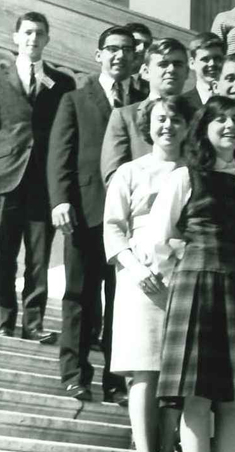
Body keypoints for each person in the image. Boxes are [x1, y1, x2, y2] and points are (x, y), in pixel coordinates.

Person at [148, 96, 235, 452]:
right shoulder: (185, 176)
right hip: (196, 289)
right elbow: (157, 237)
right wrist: (182, 268)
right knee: (196, 396)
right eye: (221, 120)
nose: (230, 126)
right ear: (205, 129)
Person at [48, 26, 144, 402]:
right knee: (80, 296)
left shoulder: (142, 102)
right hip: (85, 212)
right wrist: (60, 200)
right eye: (112, 49)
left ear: (136, 58)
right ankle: (75, 373)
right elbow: (61, 154)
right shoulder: (75, 99)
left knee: (122, 300)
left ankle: (116, 381)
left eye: (127, 50)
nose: (120, 55)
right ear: (98, 55)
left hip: (132, 219)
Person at [103, 95, 194, 452]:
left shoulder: (195, 171)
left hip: (184, 275)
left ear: (187, 127)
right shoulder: (130, 171)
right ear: (148, 126)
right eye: (160, 119)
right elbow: (113, 228)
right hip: (139, 277)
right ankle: (144, 447)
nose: (168, 126)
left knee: (178, 373)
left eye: (175, 119)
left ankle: (170, 442)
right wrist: (137, 269)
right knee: (144, 368)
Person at [0, 12, 75, 342]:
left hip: (43, 183)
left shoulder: (61, 83)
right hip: (6, 177)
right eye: (27, 32)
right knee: (2, 252)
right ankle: (3, 318)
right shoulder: (1, 79)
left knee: (38, 257)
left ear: (47, 39)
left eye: (39, 33)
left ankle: (33, 323)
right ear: (16, 37)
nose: (33, 38)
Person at [101, 38, 189, 186]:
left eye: (178, 64)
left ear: (187, 72)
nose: (171, 69)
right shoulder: (125, 117)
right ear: (145, 72)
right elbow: (113, 178)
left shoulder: (199, 116)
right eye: (163, 64)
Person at [183, 34, 225, 110]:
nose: (212, 64)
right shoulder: (182, 104)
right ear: (192, 63)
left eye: (217, 58)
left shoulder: (234, 98)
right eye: (205, 59)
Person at [125, 22, 153, 95]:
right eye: (136, 42)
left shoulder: (152, 90)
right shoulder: (100, 81)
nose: (142, 49)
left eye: (146, 45)